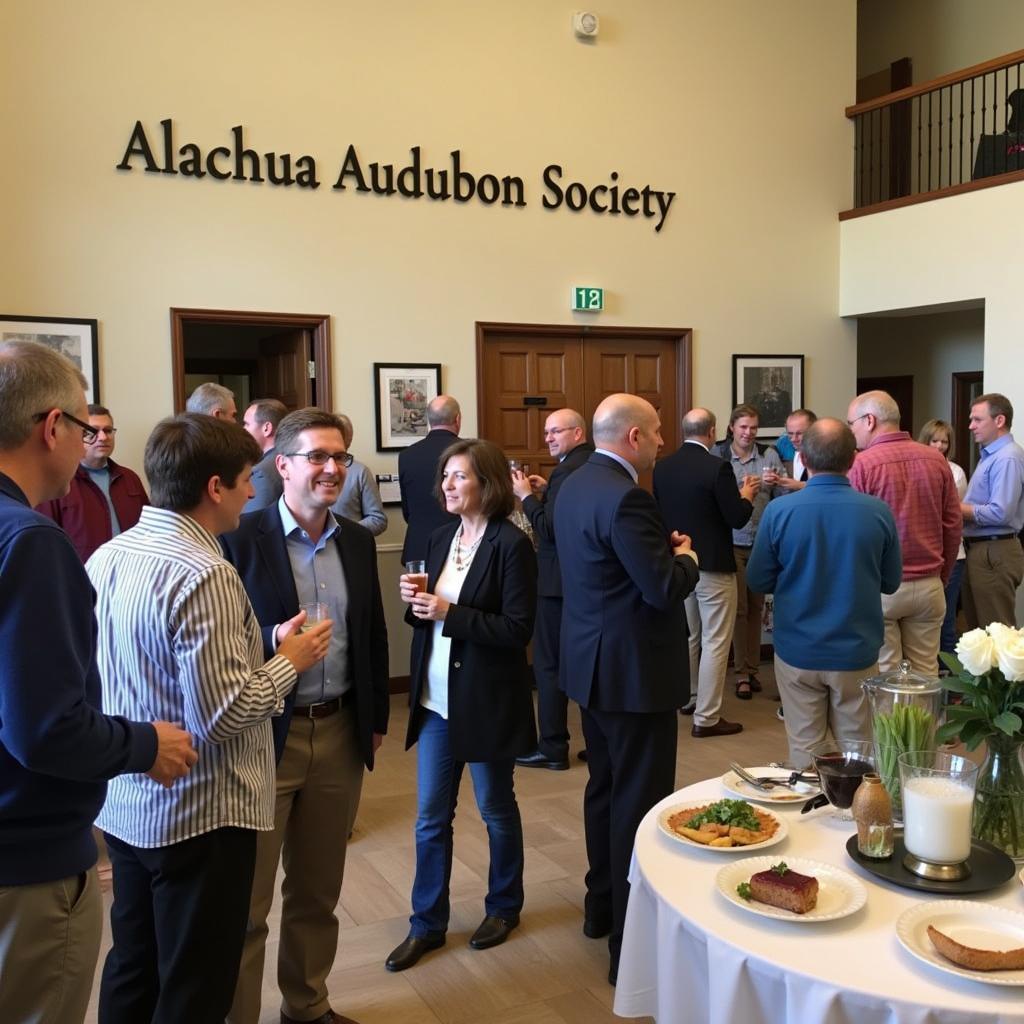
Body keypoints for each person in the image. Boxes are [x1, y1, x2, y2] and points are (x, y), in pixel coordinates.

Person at [87, 413, 330, 1024]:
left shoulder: (110, 554)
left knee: (134, 964)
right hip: (200, 812)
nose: (255, 492)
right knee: (195, 984)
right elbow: (225, 714)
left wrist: (262, 639)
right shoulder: (205, 571)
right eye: (248, 478)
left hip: (128, 801)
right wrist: (288, 661)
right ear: (215, 487)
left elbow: (147, 665)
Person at [0, 340, 195, 1024]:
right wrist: (147, 745)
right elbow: (46, 728)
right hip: (26, 858)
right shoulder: (30, 541)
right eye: (85, 426)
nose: (90, 440)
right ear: (52, 427)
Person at [222, 408, 390, 1024]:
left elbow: (371, 632)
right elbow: (217, 642)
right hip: (265, 738)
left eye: (340, 457)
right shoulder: (239, 537)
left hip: (341, 732)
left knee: (318, 893)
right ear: (282, 465)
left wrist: (373, 718)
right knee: (247, 902)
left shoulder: (356, 539)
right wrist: (272, 637)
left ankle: (307, 1006)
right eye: (317, 456)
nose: (331, 469)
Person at [556, 394, 699, 985]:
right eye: (659, 432)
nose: (664, 441)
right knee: (637, 803)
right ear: (634, 438)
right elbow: (663, 589)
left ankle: (601, 907)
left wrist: (656, 559)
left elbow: (610, 569)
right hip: (635, 674)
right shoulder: (628, 497)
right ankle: (629, 946)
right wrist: (686, 558)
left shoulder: (574, 484)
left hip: (591, 667)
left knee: (605, 789)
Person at [385, 439, 537, 973]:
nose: (447, 486)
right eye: (445, 477)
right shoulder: (439, 535)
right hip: (434, 701)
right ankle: (426, 924)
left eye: (459, 477)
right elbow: (432, 619)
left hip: (486, 700)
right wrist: (417, 606)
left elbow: (519, 629)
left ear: (487, 484)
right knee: (430, 819)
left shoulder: (510, 545)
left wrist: (450, 611)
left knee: (496, 810)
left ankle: (504, 906)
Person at [747, 419, 902, 767]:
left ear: (802, 457)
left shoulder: (779, 511)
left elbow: (758, 579)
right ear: (853, 458)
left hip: (797, 649)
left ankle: (808, 813)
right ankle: (853, 818)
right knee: (857, 752)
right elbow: (891, 583)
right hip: (856, 650)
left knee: (805, 749)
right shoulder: (877, 512)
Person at [653, 408, 755, 733]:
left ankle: (690, 696)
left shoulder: (662, 466)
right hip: (714, 563)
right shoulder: (717, 467)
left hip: (680, 561)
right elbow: (736, 517)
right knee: (716, 639)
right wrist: (747, 496)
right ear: (711, 431)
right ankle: (707, 717)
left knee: (691, 635)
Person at [847, 391, 960, 674]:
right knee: (926, 673)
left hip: (882, 587)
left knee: (887, 675)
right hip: (929, 583)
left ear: (869, 420)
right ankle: (928, 722)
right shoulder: (937, 461)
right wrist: (942, 575)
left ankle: (893, 722)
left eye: (852, 423)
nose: (852, 431)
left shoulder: (863, 464)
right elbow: (952, 524)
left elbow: (854, 531)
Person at [511, 408, 593, 770]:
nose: (548, 438)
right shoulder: (590, 465)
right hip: (584, 583)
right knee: (586, 663)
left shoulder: (564, 472)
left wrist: (526, 496)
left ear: (578, 433)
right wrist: (545, 492)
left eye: (555, 431)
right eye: (546, 432)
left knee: (548, 666)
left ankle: (553, 747)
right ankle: (597, 744)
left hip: (556, 584)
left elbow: (549, 531)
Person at [716, 404, 784, 698]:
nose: (748, 433)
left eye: (753, 428)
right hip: (732, 541)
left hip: (763, 543)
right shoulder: (719, 457)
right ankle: (741, 673)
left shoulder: (768, 455)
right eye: (743, 427)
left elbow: (784, 496)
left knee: (758, 609)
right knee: (740, 610)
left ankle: (753, 669)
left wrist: (776, 483)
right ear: (732, 427)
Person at [36, 402, 148, 562]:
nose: (103, 437)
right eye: (92, 431)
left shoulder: (130, 478)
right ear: (77, 434)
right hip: (82, 580)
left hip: (131, 578)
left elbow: (148, 530)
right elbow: (46, 543)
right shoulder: (58, 481)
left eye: (108, 431)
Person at [960, 393, 1024, 629]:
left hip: (993, 551)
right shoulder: (991, 456)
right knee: (979, 635)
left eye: (977, 419)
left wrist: (956, 508)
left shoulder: (1007, 458)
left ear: (999, 421)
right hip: (982, 550)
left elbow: (1001, 513)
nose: (971, 426)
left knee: (996, 635)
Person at [918, 419, 968, 667]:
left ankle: (950, 681)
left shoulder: (955, 472)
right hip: (923, 555)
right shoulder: (915, 466)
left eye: (944, 441)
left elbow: (947, 514)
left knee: (946, 622)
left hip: (952, 556)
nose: (939, 446)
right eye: (934, 440)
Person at [398, 395, 460, 562]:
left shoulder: (407, 456)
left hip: (419, 548)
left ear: (429, 421)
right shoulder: (469, 454)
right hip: (459, 546)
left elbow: (407, 512)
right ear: (457, 419)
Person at [332, 412, 388, 535]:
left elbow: (378, 520)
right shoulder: (312, 470)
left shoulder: (360, 472)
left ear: (349, 439)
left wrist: (344, 531)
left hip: (350, 550)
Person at [241, 397, 287, 512]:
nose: (243, 430)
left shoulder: (261, 472)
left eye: (246, 424)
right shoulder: (292, 458)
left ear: (267, 428)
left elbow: (254, 522)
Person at [771, 408, 817, 490]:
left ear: (814, 430)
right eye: (790, 433)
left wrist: (800, 485)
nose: (793, 439)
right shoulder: (781, 447)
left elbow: (831, 486)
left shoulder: (827, 454)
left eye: (799, 433)